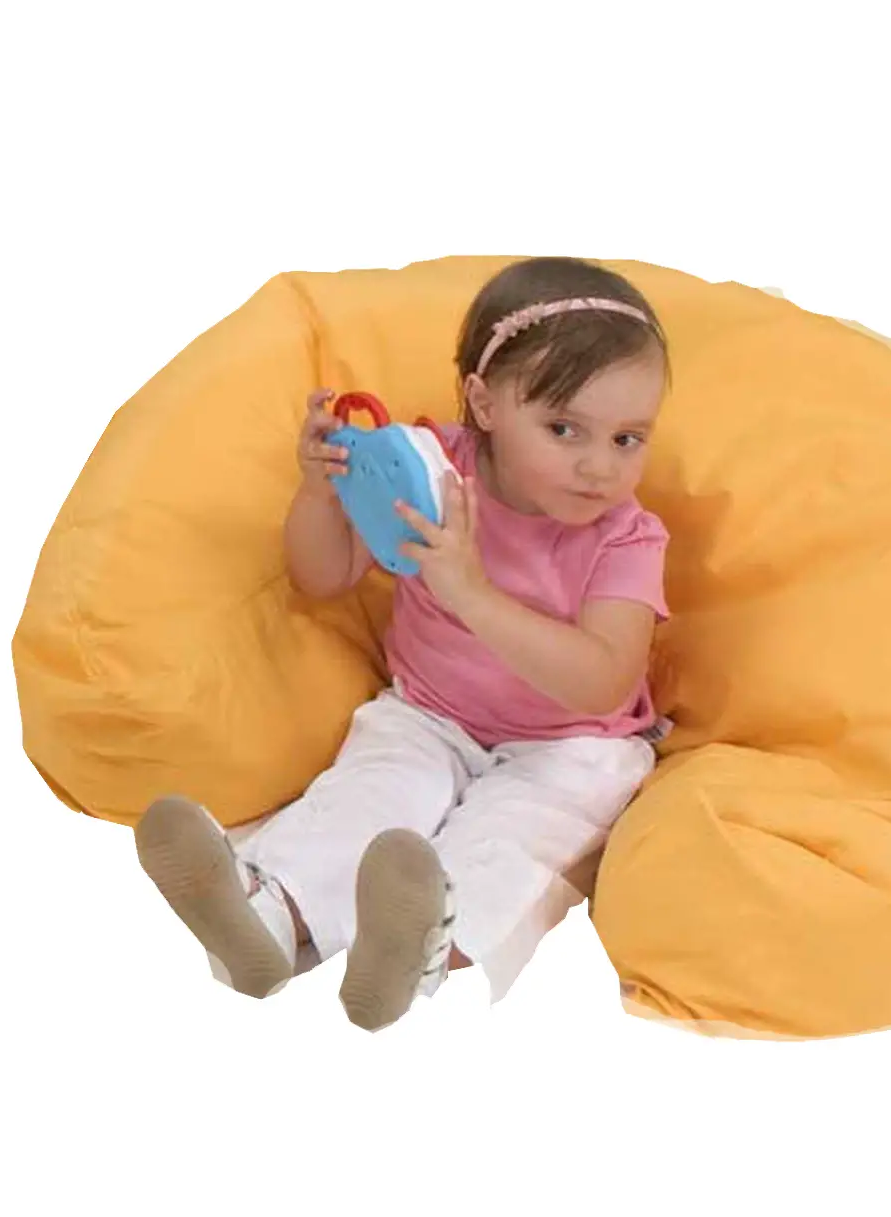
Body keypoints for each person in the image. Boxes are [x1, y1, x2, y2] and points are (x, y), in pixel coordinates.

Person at [134, 257, 674, 1031]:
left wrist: (469, 593)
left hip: (570, 744)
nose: (600, 466)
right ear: (485, 404)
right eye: (564, 429)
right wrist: (320, 493)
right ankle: (268, 918)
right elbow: (323, 576)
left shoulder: (627, 537)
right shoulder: (429, 472)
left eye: (628, 438)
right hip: (428, 713)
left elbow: (601, 682)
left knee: (508, 844)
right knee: (367, 801)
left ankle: (416, 948)